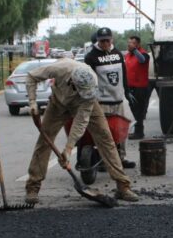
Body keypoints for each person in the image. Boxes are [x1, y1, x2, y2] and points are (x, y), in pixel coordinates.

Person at [23, 59, 138, 204]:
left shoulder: (90, 86)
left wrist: (68, 149)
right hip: (58, 104)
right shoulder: (61, 68)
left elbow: (80, 122)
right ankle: (33, 187)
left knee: (105, 138)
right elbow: (31, 76)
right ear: (72, 82)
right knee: (44, 141)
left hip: (85, 103)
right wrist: (32, 102)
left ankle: (123, 186)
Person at [85, 27, 136, 168]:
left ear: (111, 39)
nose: (105, 43)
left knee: (121, 131)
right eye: (102, 41)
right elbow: (88, 80)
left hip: (118, 100)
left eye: (107, 40)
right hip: (101, 102)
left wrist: (127, 91)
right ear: (98, 41)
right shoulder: (91, 57)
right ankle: (104, 159)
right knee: (104, 133)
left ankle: (121, 158)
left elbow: (123, 74)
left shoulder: (118, 54)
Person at [124, 35, 152, 140]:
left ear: (138, 44)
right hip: (130, 87)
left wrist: (135, 50)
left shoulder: (143, 54)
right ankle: (137, 130)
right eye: (129, 42)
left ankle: (139, 132)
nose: (129, 44)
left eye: (132, 43)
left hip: (140, 87)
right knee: (133, 109)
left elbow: (142, 60)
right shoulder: (127, 56)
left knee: (139, 110)